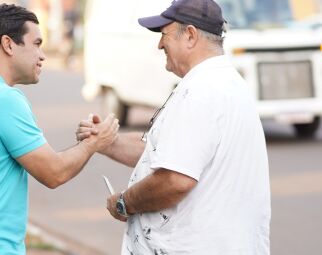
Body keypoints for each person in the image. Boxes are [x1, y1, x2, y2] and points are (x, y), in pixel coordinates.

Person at [77, 0, 271, 254]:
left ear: (190, 35)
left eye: (163, 34)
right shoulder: (221, 82)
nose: (159, 44)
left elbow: (175, 179)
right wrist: (106, 141)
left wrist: (124, 203)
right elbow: (166, 152)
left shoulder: (203, 92)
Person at [0, 4, 118, 255]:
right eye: (36, 43)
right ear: (8, 44)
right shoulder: (4, 99)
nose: (42, 55)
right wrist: (94, 142)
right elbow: (54, 173)